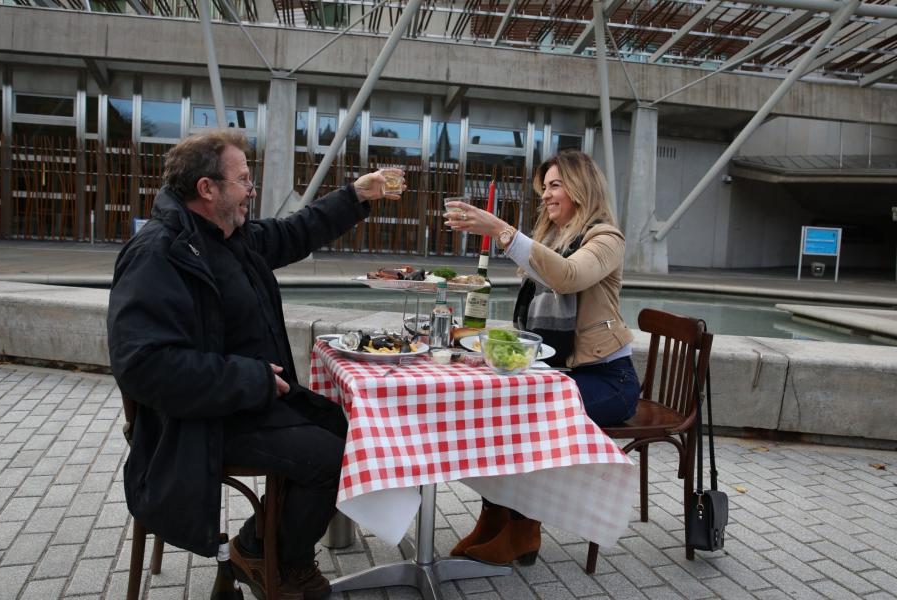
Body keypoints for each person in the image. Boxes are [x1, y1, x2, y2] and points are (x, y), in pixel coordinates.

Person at [107, 129, 402, 599]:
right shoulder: (159, 254)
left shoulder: (229, 235)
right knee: (330, 459)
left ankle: (263, 549)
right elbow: (143, 365)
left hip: (249, 401)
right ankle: (275, 559)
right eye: (244, 179)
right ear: (208, 189)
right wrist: (249, 378)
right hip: (196, 424)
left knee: (347, 433)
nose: (251, 189)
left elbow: (294, 232)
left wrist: (354, 197)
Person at [442, 150, 640, 566]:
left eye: (554, 185)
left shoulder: (607, 239)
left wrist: (500, 229)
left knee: (528, 413)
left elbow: (566, 276)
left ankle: (524, 531)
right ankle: (493, 520)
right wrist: (493, 354)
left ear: (581, 189)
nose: (546, 196)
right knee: (498, 404)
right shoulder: (551, 241)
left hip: (609, 381)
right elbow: (533, 332)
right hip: (565, 372)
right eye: (544, 188)